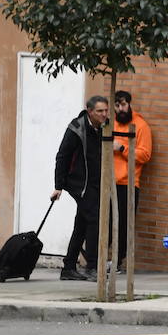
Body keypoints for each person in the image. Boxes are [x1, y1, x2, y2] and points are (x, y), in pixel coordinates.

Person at [52, 95, 110, 281]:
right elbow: (62, 156)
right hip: (80, 184)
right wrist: (58, 186)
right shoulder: (76, 128)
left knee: (82, 224)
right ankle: (92, 267)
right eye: (100, 111)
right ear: (90, 111)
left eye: (106, 110)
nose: (104, 114)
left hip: (95, 182)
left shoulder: (103, 126)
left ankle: (69, 267)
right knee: (94, 220)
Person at [111, 91, 153, 271]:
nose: (121, 108)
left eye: (124, 104)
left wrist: (122, 148)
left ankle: (117, 262)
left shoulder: (141, 125)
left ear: (129, 104)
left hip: (128, 184)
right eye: (117, 105)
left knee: (123, 226)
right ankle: (100, 260)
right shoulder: (110, 123)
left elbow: (145, 155)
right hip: (107, 183)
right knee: (103, 223)